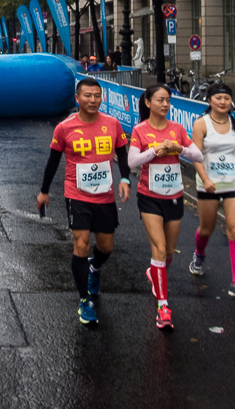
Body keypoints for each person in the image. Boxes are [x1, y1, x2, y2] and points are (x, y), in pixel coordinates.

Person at [37, 78, 131, 325]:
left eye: (97, 96)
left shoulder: (112, 124)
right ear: (77, 99)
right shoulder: (64, 128)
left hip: (105, 196)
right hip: (76, 194)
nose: (92, 100)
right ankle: (84, 301)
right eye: (87, 96)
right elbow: (53, 161)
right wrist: (44, 191)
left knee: (106, 247)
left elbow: (122, 151)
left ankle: (94, 269)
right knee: (81, 244)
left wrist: (125, 179)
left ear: (102, 98)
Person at [128, 84, 204, 330]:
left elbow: (198, 156)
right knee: (159, 248)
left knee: (169, 252)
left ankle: (154, 272)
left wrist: (177, 148)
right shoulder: (140, 130)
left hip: (174, 195)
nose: (165, 104)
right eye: (160, 100)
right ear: (148, 103)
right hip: (149, 196)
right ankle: (163, 306)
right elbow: (132, 162)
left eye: (168, 100)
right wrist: (154, 151)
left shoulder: (178, 129)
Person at [188, 83, 235, 303]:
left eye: (226, 98)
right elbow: (196, 155)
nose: (223, 102)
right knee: (207, 228)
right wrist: (205, 180)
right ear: (210, 101)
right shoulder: (201, 124)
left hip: (233, 183)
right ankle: (199, 256)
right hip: (209, 184)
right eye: (219, 98)